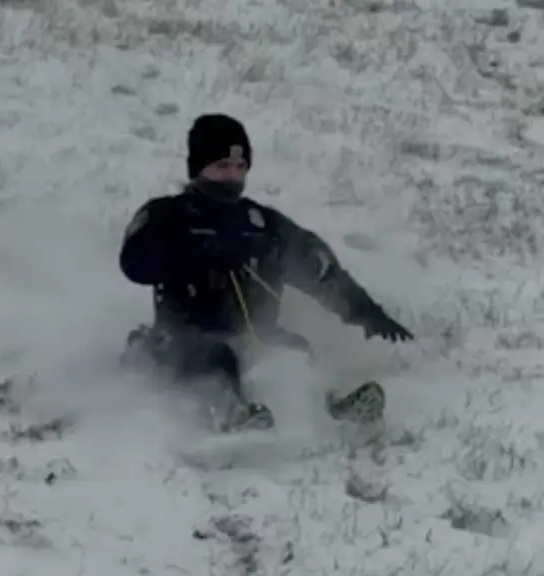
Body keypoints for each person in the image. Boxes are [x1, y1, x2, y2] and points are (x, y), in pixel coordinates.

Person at [118, 113, 414, 432]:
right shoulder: (168, 214)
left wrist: (367, 314)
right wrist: (197, 250)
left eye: (239, 167)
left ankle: (325, 412)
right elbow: (134, 261)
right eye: (221, 167)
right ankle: (229, 414)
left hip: (253, 335)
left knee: (293, 350)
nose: (231, 176)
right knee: (218, 356)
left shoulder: (261, 224)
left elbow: (320, 269)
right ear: (197, 168)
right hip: (182, 338)